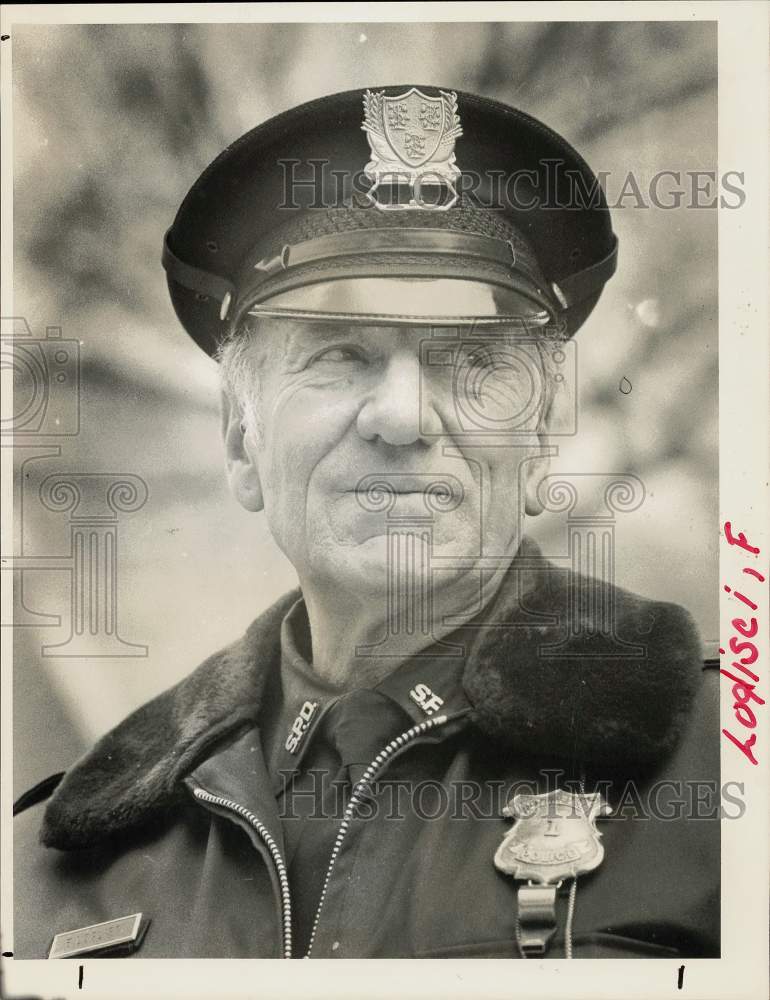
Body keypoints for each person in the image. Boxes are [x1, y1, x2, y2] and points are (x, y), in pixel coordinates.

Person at [14, 86, 719, 960]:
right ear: (242, 442)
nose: (402, 416)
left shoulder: (725, 768)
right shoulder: (56, 862)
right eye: (339, 355)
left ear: (538, 443)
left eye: (467, 363)